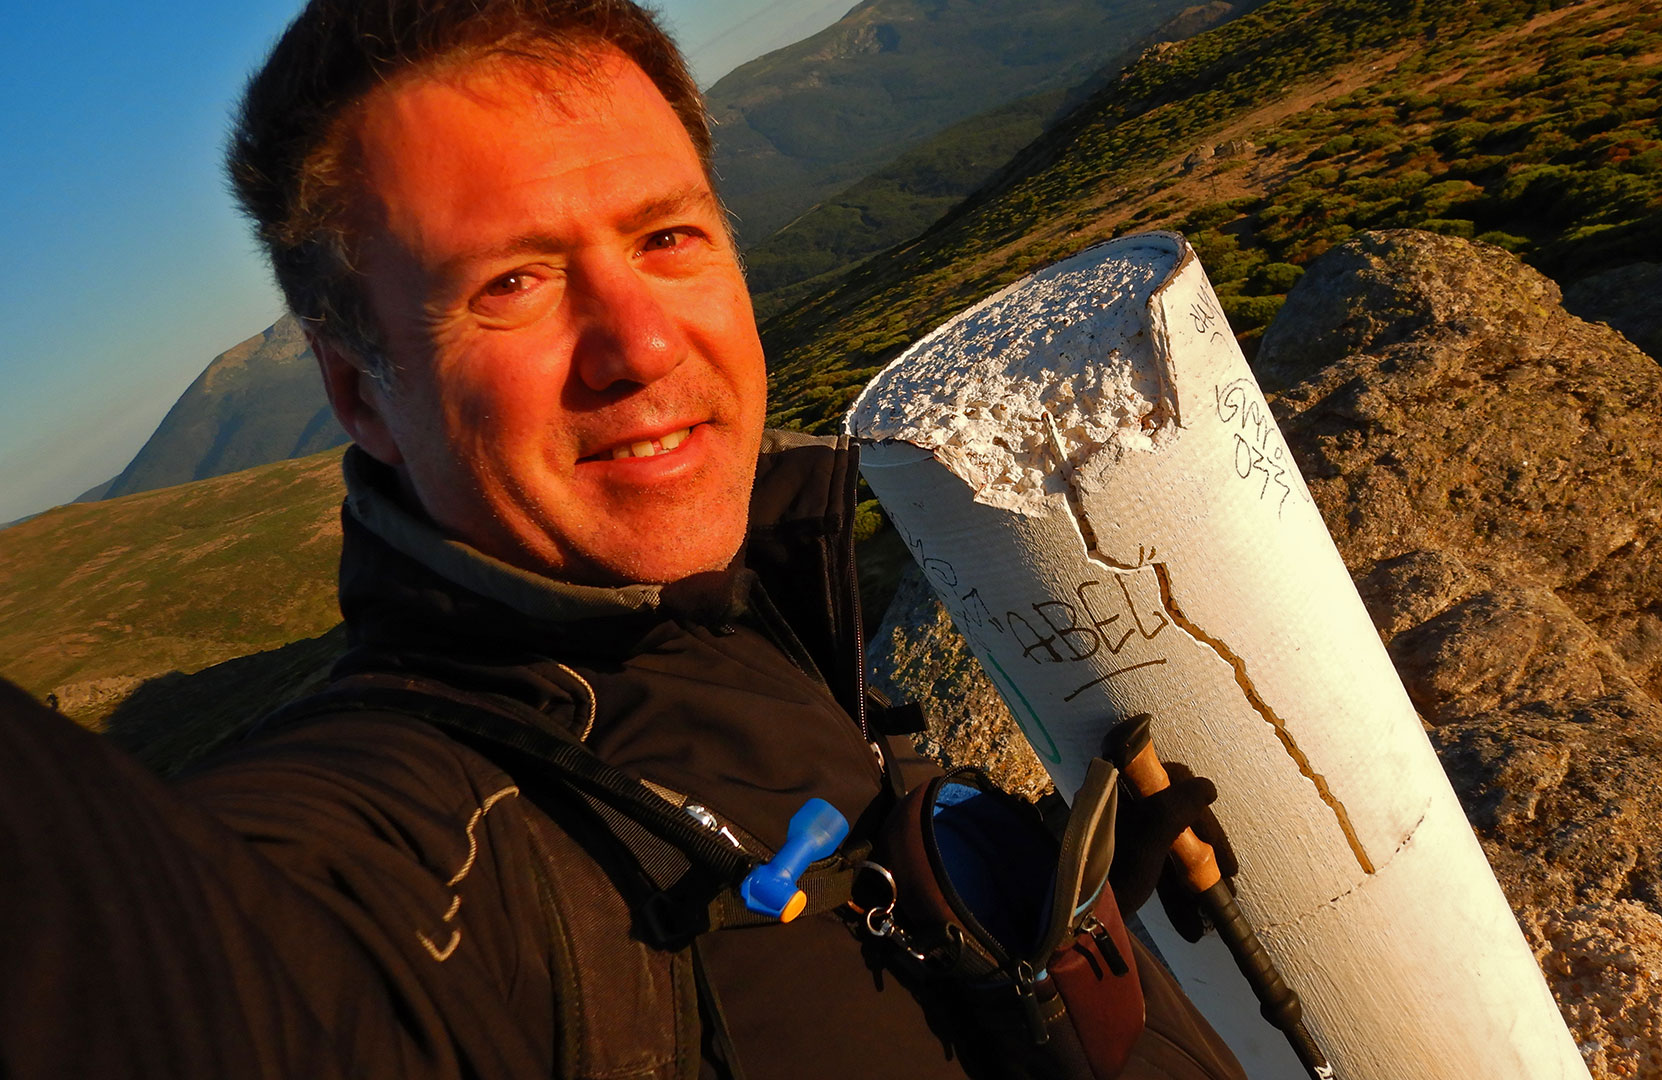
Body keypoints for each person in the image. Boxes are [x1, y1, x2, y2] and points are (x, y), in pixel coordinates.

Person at [0, 2, 1244, 1077]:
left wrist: (1045, 905)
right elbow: (157, 970)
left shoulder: (747, 616)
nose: (642, 344)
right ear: (360, 394)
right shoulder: (414, 856)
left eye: (667, 238)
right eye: (512, 285)